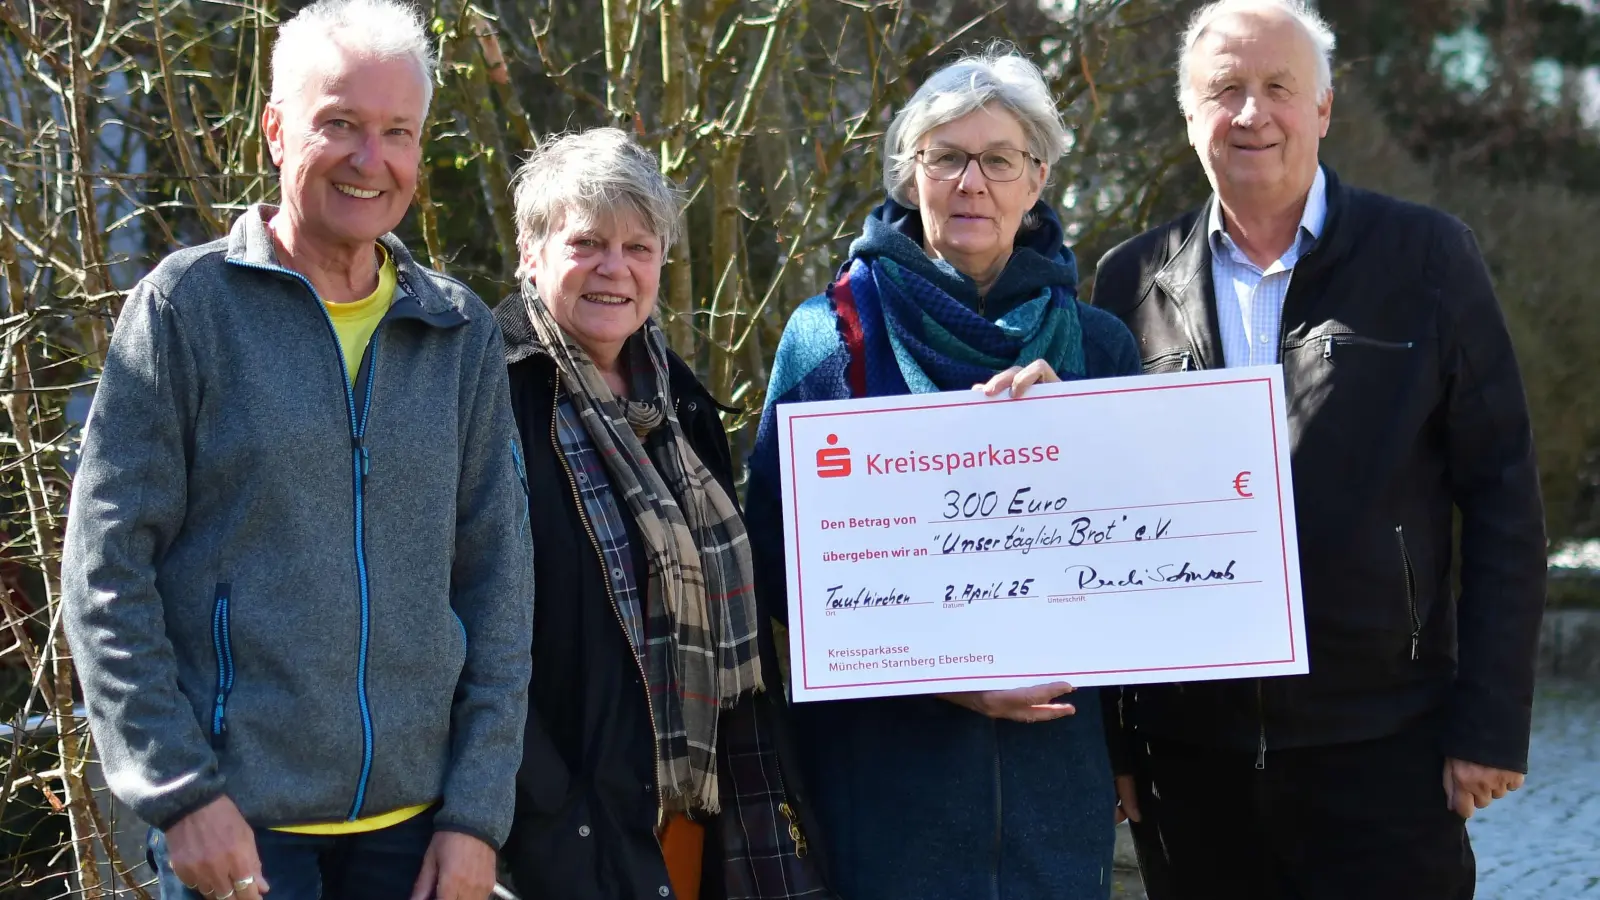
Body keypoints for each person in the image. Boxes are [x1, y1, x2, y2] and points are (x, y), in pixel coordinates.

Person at [59, 1, 534, 898]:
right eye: (340, 124)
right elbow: (105, 572)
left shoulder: (457, 332)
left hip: (418, 839)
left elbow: (499, 588)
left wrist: (477, 816)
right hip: (237, 830)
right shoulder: (185, 312)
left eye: (397, 131)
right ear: (276, 130)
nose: (370, 159)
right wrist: (178, 793)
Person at [1091, 2, 1547, 898]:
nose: (1251, 113)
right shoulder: (1129, 282)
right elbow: (1101, 525)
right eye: (1225, 90)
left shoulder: (1427, 259)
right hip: (1190, 765)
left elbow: (1504, 497)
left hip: (1387, 750)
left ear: (1325, 107)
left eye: (1279, 88)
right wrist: (1115, 743)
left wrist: (1490, 726)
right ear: (1189, 114)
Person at [743, 49, 1143, 900]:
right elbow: (777, 570)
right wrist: (945, 678)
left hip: (1056, 799)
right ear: (909, 172)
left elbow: (1146, 567)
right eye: (946, 157)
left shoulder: (1101, 348)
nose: (971, 183)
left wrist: (1082, 441)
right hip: (886, 793)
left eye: (998, 160)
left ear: (1036, 180)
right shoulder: (830, 339)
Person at [493, 127, 831, 900]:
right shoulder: (488, 391)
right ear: (531, 252)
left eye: (638, 247)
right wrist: (545, 803)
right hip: (558, 823)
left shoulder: (677, 399)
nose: (615, 268)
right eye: (587, 243)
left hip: (703, 810)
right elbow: (458, 620)